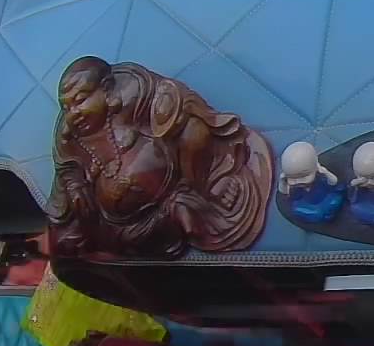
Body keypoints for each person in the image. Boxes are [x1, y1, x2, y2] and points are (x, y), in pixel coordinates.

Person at [48, 56, 272, 257]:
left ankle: (207, 189)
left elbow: (174, 100)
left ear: (106, 89)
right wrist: (75, 186)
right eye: (67, 106)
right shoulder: (70, 136)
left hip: (178, 174)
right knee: (85, 237)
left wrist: (167, 111)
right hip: (125, 221)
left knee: (194, 131)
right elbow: (66, 168)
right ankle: (174, 214)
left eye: (80, 100)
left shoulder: (135, 91)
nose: (73, 113)